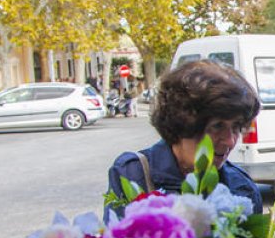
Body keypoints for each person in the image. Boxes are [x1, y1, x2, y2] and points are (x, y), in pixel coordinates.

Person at [106, 60, 262, 216]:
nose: (230, 140)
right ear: (181, 123)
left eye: (236, 127)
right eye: (217, 126)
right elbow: (116, 237)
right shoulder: (133, 173)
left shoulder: (243, 188)